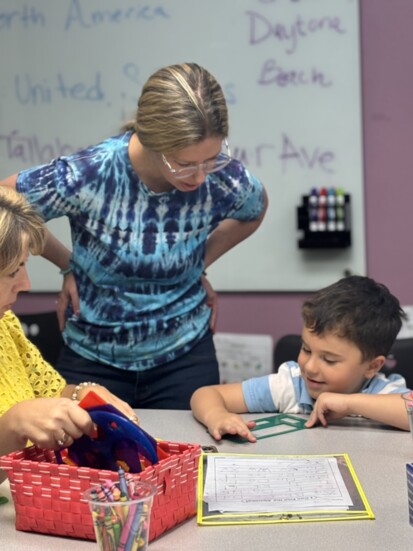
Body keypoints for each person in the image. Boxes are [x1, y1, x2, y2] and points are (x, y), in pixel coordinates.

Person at [0, 62, 267, 410]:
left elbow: (254, 209)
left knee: (192, 459)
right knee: (84, 460)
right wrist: (69, 264)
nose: (200, 177)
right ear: (152, 140)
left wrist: (198, 262)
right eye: (185, 164)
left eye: (211, 160)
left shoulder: (223, 178)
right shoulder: (91, 172)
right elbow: (9, 202)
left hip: (184, 355)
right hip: (93, 357)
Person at [0, 187, 139, 479]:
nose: (25, 284)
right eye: (14, 271)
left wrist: (80, 393)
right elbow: (21, 417)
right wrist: (12, 424)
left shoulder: (5, 324)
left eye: (24, 266)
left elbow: (49, 393)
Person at [190, 275, 411, 441]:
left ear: (372, 366)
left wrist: (349, 403)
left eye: (330, 360)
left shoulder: (383, 392)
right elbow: (206, 394)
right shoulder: (292, 385)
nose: (310, 367)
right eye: (306, 349)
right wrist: (216, 415)